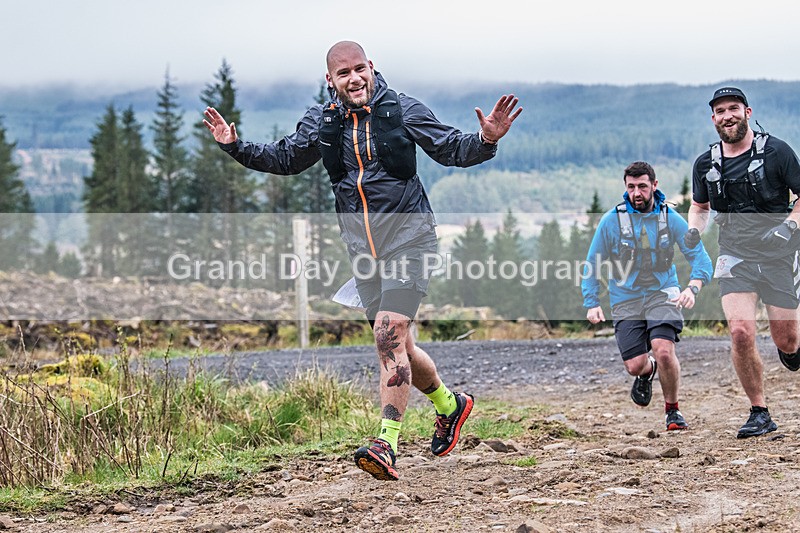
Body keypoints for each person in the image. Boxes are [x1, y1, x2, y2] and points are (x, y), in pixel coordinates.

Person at [203, 41, 522, 480]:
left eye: (359, 69)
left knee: (388, 334)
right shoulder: (322, 120)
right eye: (343, 73)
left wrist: (486, 138)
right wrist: (235, 145)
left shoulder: (400, 110)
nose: (354, 78)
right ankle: (452, 405)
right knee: (401, 346)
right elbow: (286, 158)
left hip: (410, 239)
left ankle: (386, 442)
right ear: (329, 80)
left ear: (371, 68)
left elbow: (450, 148)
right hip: (364, 252)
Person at [687, 87, 800, 438]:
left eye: (733, 108)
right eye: (720, 111)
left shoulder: (777, 152)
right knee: (739, 332)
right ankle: (759, 411)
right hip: (735, 255)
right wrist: (694, 231)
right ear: (713, 119)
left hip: (779, 254)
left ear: (747, 112)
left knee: (788, 340)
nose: (727, 116)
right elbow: (700, 207)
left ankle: (792, 349)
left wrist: (790, 226)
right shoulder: (705, 164)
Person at [582, 161, 712, 431]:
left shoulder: (671, 219)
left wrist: (693, 287)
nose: (636, 192)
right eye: (631, 187)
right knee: (634, 365)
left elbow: (701, 257)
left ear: (655, 185)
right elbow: (592, 262)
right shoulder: (611, 221)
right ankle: (648, 370)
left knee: (664, 350)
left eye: (642, 186)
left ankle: (672, 411)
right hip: (625, 298)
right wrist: (592, 302)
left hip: (663, 293)